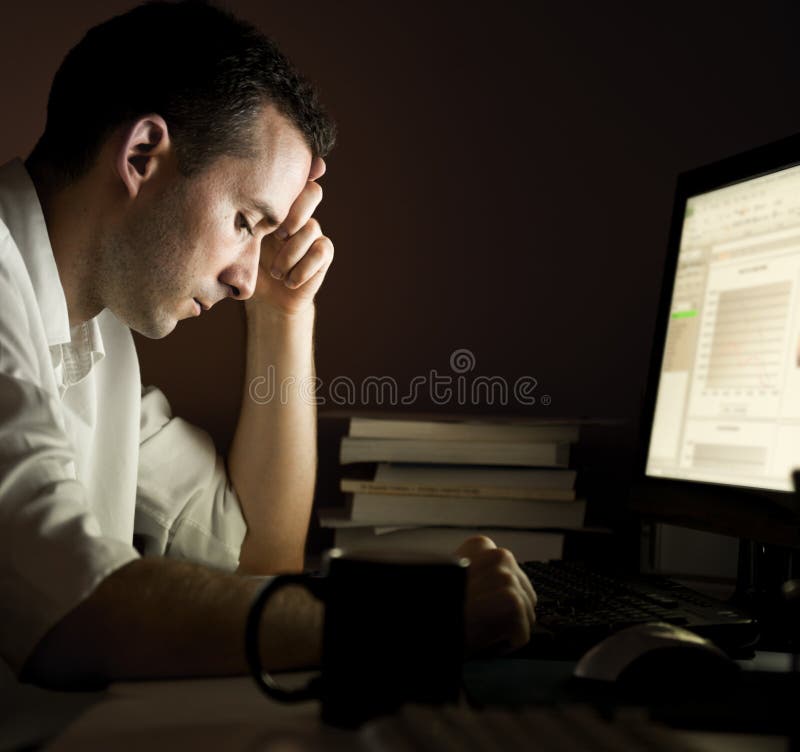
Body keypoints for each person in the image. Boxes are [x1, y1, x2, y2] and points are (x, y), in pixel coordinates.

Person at [0, 0, 536, 688]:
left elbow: (257, 557)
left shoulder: (92, 338)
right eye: (247, 220)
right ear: (141, 155)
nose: (246, 279)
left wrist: (285, 313)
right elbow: (75, 615)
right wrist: (408, 620)